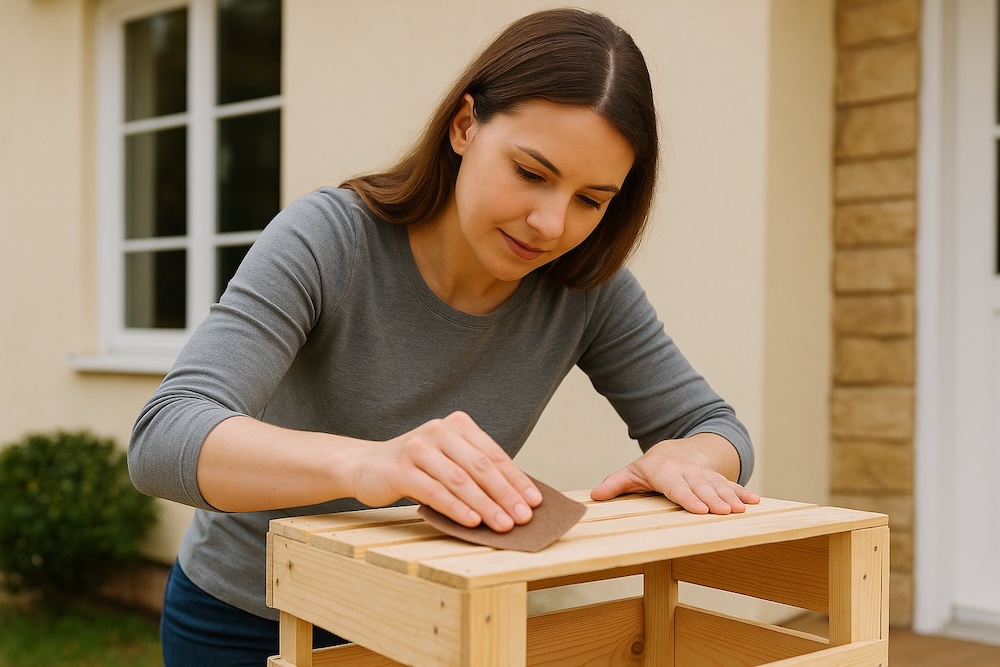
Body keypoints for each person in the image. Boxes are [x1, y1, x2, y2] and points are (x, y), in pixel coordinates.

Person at [129, 7, 760, 665]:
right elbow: (164, 435)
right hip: (247, 619)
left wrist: (691, 459)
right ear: (465, 126)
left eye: (591, 200)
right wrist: (370, 463)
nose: (550, 223)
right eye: (532, 172)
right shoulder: (328, 240)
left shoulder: (587, 289)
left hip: (426, 620)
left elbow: (718, 429)